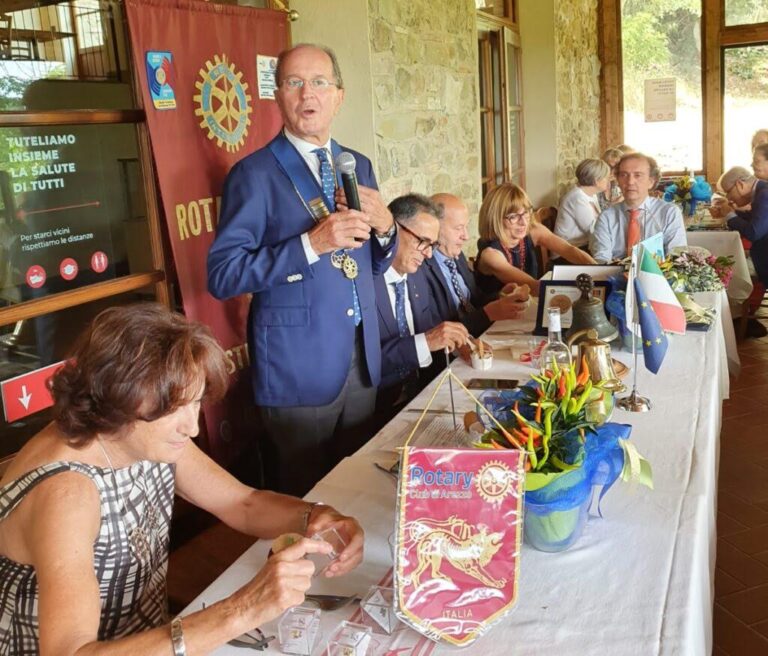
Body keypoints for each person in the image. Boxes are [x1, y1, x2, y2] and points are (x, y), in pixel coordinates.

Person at [0, 303, 364, 656]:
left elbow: (243, 504)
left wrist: (316, 516)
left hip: (154, 638)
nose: (191, 427)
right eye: (176, 409)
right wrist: (242, 609)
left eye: (195, 403)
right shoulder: (66, 493)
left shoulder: (136, 432)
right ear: (120, 396)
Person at [207, 44, 396, 495]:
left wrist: (387, 227)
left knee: (358, 493)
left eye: (318, 82)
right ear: (278, 96)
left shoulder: (358, 165)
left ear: (338, 95)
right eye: (294, 82)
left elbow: (376, 261)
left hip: (362, 360)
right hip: (297, 367)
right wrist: (310, 244)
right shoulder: (253, 174)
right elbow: (223, 274)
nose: (306, 93)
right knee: (305, 500)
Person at [374, 194, 468, 418]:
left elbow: (432, 327)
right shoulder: (366, 282)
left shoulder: (416, 276)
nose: (428, 254)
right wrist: (426, 342)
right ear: (393, 230)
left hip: (422, 394)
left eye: (432, 245)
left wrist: (462, 342)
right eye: (422, 241)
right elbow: (363, 365)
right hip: (377, 409)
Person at [424, 192, 528, 338]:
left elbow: (474, 300)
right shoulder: (421, 269)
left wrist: (499, 296)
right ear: (434, 228)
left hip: (482, 337)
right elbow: (441, 332)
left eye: (466, 227)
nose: (466, 236)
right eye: (459, 228)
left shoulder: (456, 255)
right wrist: (488, 314)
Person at [475, 183, 596, 297]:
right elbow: (532, 286)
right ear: (495, 219)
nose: (523, 222)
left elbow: (568, 249)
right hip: (498, 316)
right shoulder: (491, 255)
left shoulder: (533, 230)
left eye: (525, 213)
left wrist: (598, 270)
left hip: (524, 304)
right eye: (513, 217)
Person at [591, 152, 687, 263]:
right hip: (615, 277)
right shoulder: (607, 217)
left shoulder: (669, 213)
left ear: (651, 182)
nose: (630, 182)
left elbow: (677, 257)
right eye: (624, 175)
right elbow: (601, 259)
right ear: (617, 181)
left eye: (638, 175)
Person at [718, 167, 768, 285]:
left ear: (740, 184)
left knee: (725, 269)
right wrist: (733, 212)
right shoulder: (761, 190)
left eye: (728, 192)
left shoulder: (765, 194)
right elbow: (757, 219)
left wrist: (729, 215)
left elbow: (754, 232)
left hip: (765, 262)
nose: (728, 198)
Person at [555, 158, 611, 248]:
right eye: (606, 178)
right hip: (568, 251)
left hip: (583, 246)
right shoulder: (577, 198)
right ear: (597, 181)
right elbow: (593, 230)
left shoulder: (591, 194)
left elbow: (599, 223)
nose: (609, 181)